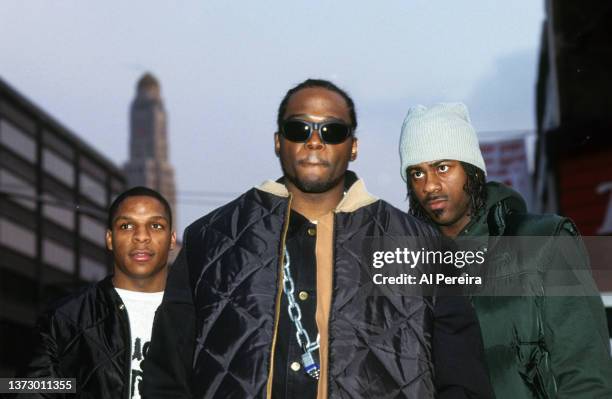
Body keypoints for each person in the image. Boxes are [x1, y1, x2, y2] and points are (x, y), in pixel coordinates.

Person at [143, 79, 494, 399]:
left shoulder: (423, 246)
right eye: (299, 129)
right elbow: (167, 376)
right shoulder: (210, 239)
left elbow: (464, 380)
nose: (314, 140)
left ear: (353, 147)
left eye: (332, 130)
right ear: (279, 142)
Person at [398, 102, 612, 398]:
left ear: (472, 170)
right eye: (416, 173)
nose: (430, 185)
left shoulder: (545, 241)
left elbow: (586, 377)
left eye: (442, 167)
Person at [19, 187, 176, 399]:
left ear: (172, 239)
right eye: (127, 226)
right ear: (110, 239)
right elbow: (25, 389)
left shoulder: (200, 315)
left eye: (155, 226)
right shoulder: (63, 318)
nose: (141, 237)